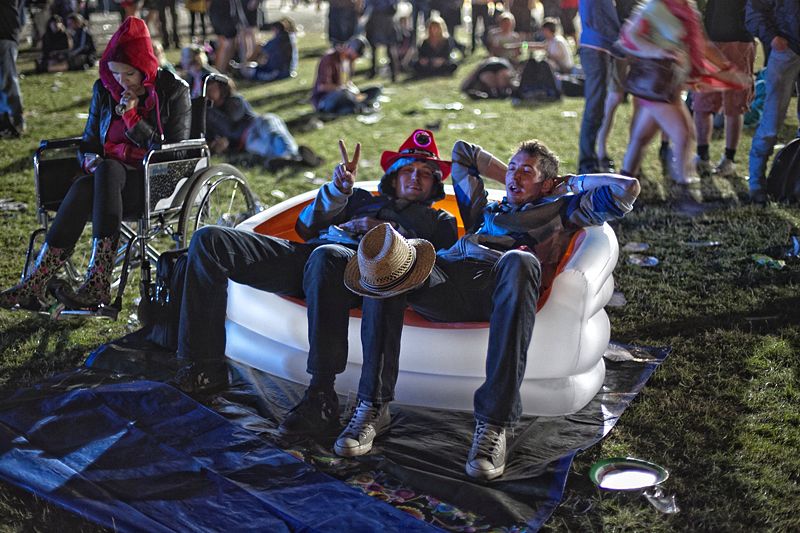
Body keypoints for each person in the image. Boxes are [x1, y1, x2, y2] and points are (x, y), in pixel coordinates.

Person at [333, 138, 640, 480]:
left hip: (497, 284)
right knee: (391, 262)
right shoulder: (484, 210)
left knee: (521, 260)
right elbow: (463, 152)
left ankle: (495, 425)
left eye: (526, 172)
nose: (514, 177)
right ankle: (372, 406)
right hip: (448, 280)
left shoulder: (562, 210)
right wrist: (515, 178)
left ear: (548, 183)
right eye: (512, 168)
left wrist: (565, 185)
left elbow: (626, 189)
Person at [175, 130, 458, 398]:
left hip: (350, 275)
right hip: (306, 258)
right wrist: (338, 191)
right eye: (408, 170)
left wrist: (385, 233)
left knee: (327, 256)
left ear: (435, 184)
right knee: (209, 240)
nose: (415, 178)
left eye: (425, 173)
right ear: (394, 177)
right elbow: (305, 227)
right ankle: (202, 368)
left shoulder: (439, 221)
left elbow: (432, 269)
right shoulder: (359, 198)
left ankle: (321, 394)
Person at [0, 17, 191, 311]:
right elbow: (89, 141)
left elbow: (174, 152)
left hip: (153, 180)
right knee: (86, 183)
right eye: (115, 73)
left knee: (105, 171)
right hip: (107, 181)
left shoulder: (172, 90)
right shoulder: (104, 90)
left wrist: (132, 118)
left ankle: (96, 281)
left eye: (129, 74)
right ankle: (37, 282)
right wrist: (88, 158)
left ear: (144, 67)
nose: (121, 81)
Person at [618, 0, 736, 186]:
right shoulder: (656, 6)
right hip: (658, 83)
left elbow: (702, 44)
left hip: (669, 86)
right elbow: (629, 36)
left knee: (641, 138)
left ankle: (622, 186)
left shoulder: (688, 9)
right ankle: (684, 187)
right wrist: (658, 51)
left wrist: (727, 69)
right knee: (684, 135)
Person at [692, 0, 755, 179]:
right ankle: (703, 156)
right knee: (702, 102)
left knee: (734, 105)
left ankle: (728, 159)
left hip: (739, 39)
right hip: (711, 39)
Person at [745, 0, 800, 203]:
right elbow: (753, 12)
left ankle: (793, 185)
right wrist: (773, 38)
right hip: (786, 49)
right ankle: (756, 183)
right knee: (771, 121)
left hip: (787, 46)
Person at [204, 75, 318, 169]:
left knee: (276, 137)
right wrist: (218, 144)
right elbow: (214, 139)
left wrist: (211, 111)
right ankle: (294, 161)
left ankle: (296, 157)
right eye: (207, 90)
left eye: (212, 89)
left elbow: (231, 123)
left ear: (222, 89)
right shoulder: (209, 115)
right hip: (247, 141)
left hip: (258, 124)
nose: (209, 93)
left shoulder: (234, 100)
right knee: (267, 150)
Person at [576, 0, 620, 174]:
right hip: (596, 48)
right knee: (594, 108)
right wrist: (623, 44)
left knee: (597, 108)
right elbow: (603, 22)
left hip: (598, 47)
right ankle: (586, 162)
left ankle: (590, 158)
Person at [311, 36, 382, 115]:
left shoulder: (349, 61)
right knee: (345, 94)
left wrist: (356, 91)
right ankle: (358, 106)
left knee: (376, 89)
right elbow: (322, 86)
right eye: (356, 55)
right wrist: (343, 89)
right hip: (326, 99)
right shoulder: (329, 59)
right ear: (350, 49)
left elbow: (347, 82)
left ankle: (353, 106)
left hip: (346, 95)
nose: (355, 59)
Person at [0, 0, 24, 137]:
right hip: (5, 34)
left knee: (8, 80)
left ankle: (15, 122)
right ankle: (4, 121)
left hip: (5, 34)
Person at [364, 0, 401, 81]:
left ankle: (394, 73)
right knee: (373, 48)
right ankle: (373, 71)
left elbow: (394, 5)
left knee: (390, 48)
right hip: (374, 18)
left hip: (386, 19)